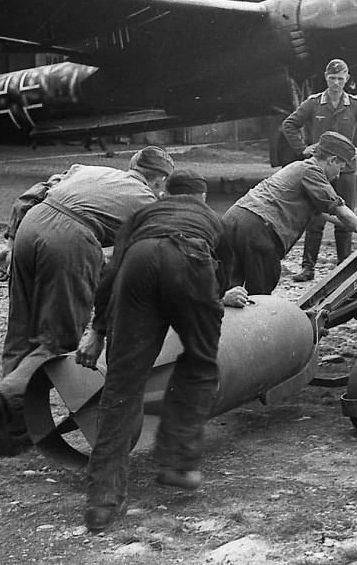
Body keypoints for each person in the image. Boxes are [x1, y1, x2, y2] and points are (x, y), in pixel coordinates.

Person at [74, 169, 246, 533]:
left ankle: (101, 501)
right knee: (200, 364)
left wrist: (98, 330)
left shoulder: (141, 216)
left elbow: (110, 273)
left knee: (122, 383)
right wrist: (209, 303)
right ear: (202, 197)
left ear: (165, 193)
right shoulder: (214, 220)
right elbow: (222, 278)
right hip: (192, 260)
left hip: (137, 264)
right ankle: (176, 462)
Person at [0, 147, 175, 456]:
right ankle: (3, 399)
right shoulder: (149, 206)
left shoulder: (88, 170)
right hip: (71, 239)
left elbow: (31, 195)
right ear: (160, 180)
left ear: (132, 166)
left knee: (21, 330)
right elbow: (126, 270)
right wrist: (101, 328)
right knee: (58, 341)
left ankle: (13, 426)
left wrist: (12, 244)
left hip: (32, 223)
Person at [222, 131, 357, 295]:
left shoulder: (297, 166)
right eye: (340, 167)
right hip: (258, 227)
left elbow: (324, 213)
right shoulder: (312, 172)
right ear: (332, 160)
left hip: (234, 219)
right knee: (260, 294)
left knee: (231, 291)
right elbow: (338, 208)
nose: (338, 175)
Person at [282, 58, 357, 282]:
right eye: (332, 78)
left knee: (345, 217)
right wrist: (303, 149)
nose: (336, 83)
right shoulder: (314, 103)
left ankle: (343, 268)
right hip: (319, 170)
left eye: (340, 78)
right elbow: (289, 124)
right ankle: (308, 268)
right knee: (315, 218)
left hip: (345, 170)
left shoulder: (354, 105)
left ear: (347, 79)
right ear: (325, 78)